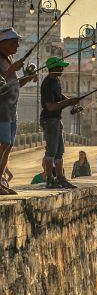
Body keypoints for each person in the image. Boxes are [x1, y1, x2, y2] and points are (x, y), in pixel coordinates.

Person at [0, 28, 36, 195]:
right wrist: (11, 69)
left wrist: (26, 79)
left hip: (11, 111)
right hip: (2, 110)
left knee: (8, 146)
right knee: (3, 144)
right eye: (14, 41)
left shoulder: (8, 59)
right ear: (3, 43)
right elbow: (2, 83)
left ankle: (0, 181)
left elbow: (12, 84)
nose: (17, 44)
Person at [40, 56, 80, 189]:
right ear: (53, 68)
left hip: (57, 119)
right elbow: (50, 106)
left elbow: (60, 97)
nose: (62, 68)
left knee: (59, 151)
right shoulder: (47, 83)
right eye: (60, 67)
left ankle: (61, 178)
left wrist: (71, 103)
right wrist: (68, 102)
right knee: (51, 150)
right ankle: (50, 179)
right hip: (49, 120)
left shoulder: (56, 81)